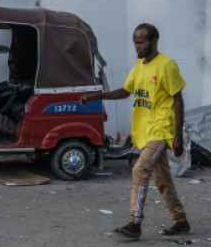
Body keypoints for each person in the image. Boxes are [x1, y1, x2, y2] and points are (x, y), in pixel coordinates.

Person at [80, 23, 189, 239]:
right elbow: (126, 91)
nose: (137, 47)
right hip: (145, 131)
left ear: (154, 42)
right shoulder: (140, 66)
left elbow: (178, 98)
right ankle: (181, 221)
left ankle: (134, 223)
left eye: (141, 42)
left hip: (161, 130)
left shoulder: (167, 65)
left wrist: (177, 137)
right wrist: (97, 96)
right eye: (135, 43)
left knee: (139, 171)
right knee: (162, 179)